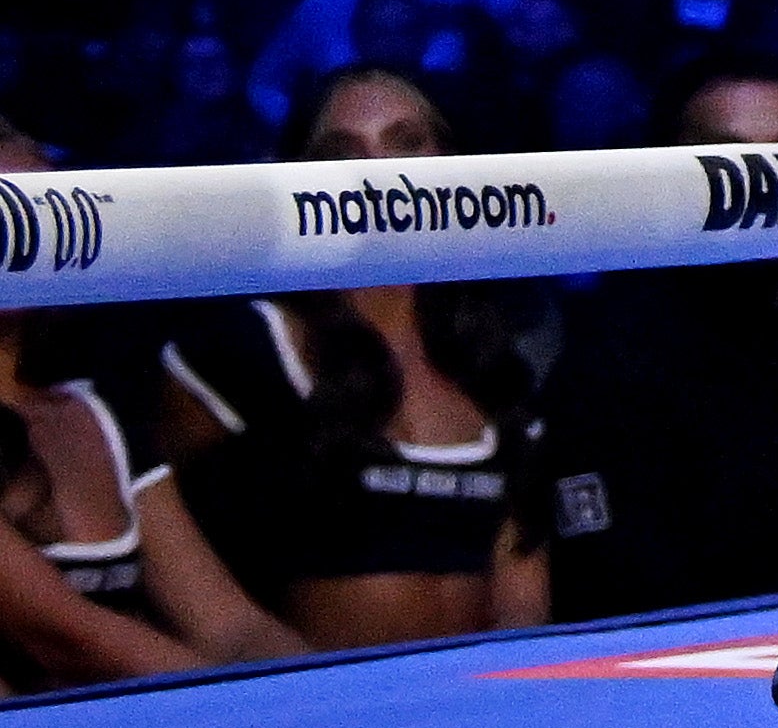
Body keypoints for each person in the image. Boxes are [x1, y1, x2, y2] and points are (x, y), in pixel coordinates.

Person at [146, 70, 553, 646]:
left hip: (470, 710)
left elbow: (522, 603)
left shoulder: (489, 366)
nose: (377, 171)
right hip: (303, 712)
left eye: (406, 142)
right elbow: (158, 544)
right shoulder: (243, 351)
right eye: (342, 151)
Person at [548, 58, 778, 620]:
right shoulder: (611, 352)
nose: (766, 181)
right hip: (688, 674)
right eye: (732, 158)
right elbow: (608, 581)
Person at [0, 121, 295, 687]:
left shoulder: (97, 411)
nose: (22, 239)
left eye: (40, 211)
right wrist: (250, 714)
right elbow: (62, 635)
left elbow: (228, 626)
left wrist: (337, 696)